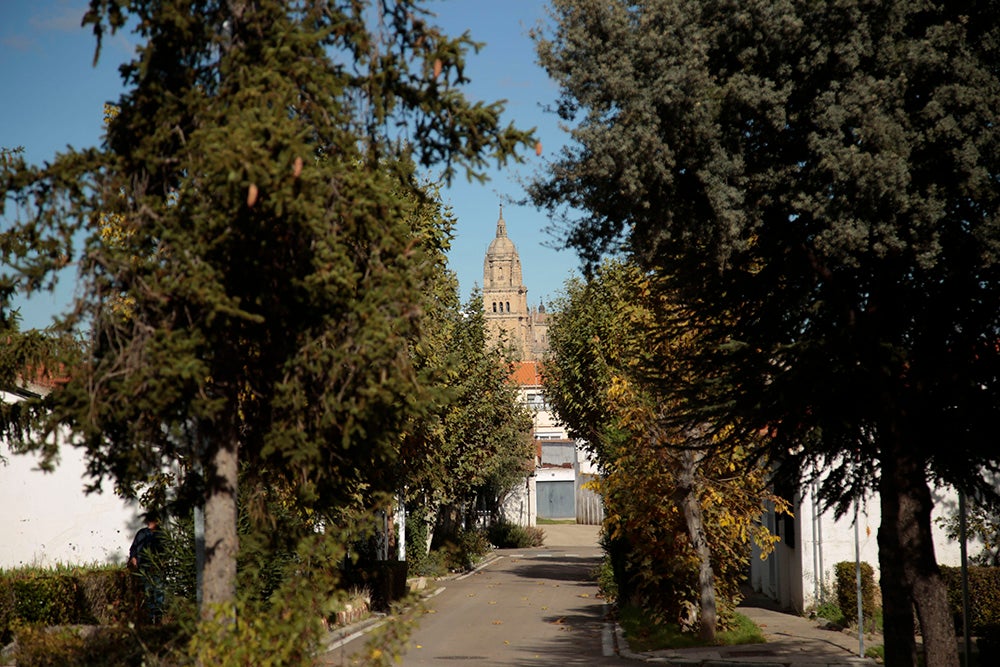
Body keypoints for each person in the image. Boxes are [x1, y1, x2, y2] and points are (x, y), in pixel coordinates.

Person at [129, 511, 165, 623]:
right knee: (148, 592)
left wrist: (162, 562)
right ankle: (150, 618)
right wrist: (133, 558)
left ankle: (158, 617)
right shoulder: (141, 533)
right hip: (144, 567)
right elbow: (133, 548)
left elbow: (165, 550)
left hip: (157, 567)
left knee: (158, 591)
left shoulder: (161, 534)